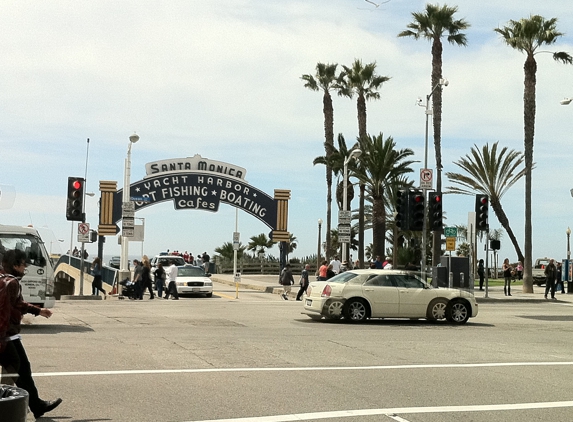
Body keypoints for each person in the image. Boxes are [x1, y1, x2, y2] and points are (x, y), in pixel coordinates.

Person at [0, 249, 62, 419]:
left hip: (9, 334)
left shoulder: (4, 279)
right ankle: (18, 406)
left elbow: (17, 304)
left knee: (22, 369)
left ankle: (36, 405)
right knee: (17, 371)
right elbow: (3, 312)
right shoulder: (10, 283)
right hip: (5, 335)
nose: (26, 266)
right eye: (22, 264)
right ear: (15, 266)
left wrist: (38, 311)